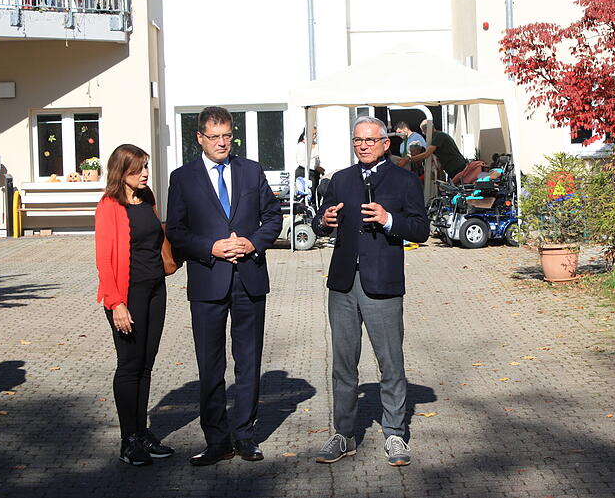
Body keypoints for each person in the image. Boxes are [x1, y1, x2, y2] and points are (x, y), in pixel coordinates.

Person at [166, 106, 283, 467]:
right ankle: (217, 439)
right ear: (199, 138)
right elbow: (176, 231)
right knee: (210, 366)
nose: (222, 143)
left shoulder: (250, 171)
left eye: (228, 136)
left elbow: (273, 217)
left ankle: (245, 435)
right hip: (207, 279)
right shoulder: (182, 178)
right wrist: (210, 247)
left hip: (248, 279)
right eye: (214, 136)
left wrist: (252, 242)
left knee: (248, 363)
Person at [311, 116, 429, 467]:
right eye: (357, 140)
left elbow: (421, 229)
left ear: (385, 143)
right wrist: (324, 221)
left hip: (383, 283)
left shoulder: (405, 180)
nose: (362, 146)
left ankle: (395, 433)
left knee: (390, 362)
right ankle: (343, 434)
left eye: (369, 140)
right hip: (344, 283)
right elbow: (320, 220)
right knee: (343, 363)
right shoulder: (341, 179)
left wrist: (389, 219)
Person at [95, 144, 174, 467]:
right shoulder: (109, 206)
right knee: (129, 366)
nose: (144, 174)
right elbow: (104, 260)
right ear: (121, 171)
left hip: (156, 289)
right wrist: (117, 304)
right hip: (127, 295)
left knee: (146, 364)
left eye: (145, 167)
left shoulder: (147, 198)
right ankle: (128, 440)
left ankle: (142, 433)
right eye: (138, 169)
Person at [398, 119, 468, 182]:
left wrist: (409, 159)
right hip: (453, 168)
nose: (424, 134)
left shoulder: (438, 136)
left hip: (456, 167)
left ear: (426, 130)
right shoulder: (439, 136)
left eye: (423, 132)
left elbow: (427, 154)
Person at [295, 128, 324, 204]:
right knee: (307, 195)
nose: (314, 136)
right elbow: (300, 161)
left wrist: (319, 167)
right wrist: (315, 167)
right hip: (304, 172)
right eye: (312, 134)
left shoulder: (316, 144)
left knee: (316, 194)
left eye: (315, 134)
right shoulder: (302, 145)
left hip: (315, 173)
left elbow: (316, 159)